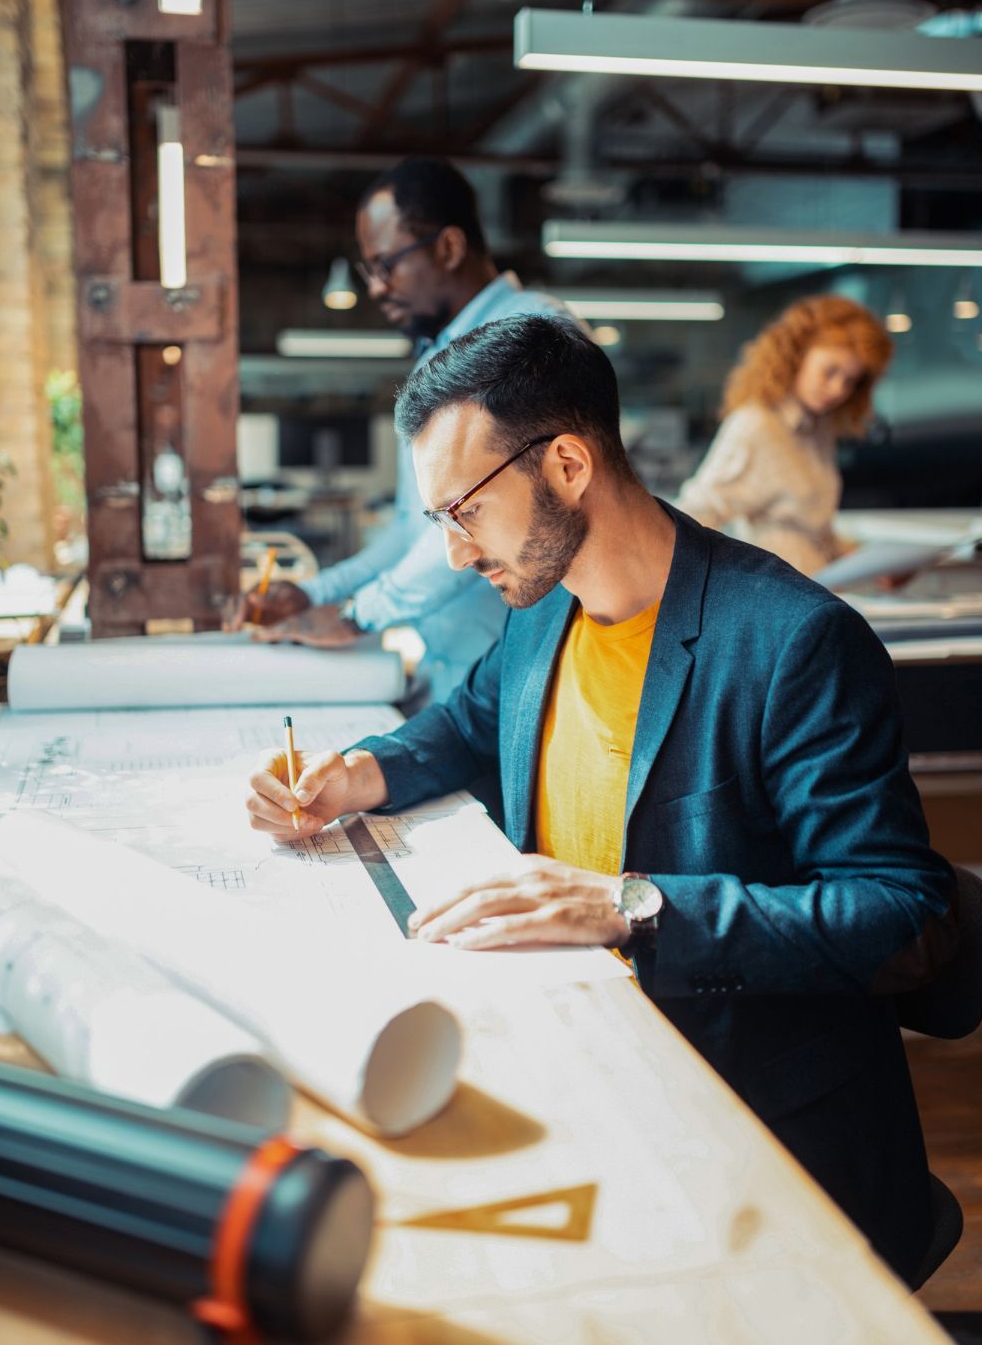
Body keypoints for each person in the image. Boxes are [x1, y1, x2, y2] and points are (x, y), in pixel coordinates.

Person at [245, 313, 955, 1286]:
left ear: (568, 466)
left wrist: (626, 906)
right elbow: (462, 726)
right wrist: (355, 774)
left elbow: (902, 920)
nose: (456, 554)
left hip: (760, 1151)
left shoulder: (790, 643)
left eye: (464, 512)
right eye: (438, 522)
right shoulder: (544, 618)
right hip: (599, 1082)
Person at [234, 156, 572, 700]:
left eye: (386, 264)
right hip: (456, 670)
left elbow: (475, 524)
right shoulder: (434, 363)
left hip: (524, 670)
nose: (375, 287)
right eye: (369, 271)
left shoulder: (530, 335)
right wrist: (316, 593)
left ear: (449, 247)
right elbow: (414, 531)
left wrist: (359, 615)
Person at [676, 294, 893, 576]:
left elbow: (813, 534)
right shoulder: (756, 425)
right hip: (774, 599)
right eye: (829, 372)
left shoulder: (817, 431)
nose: (838, 389)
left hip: (815, 590)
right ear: (796, 356)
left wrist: (875, 562)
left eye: (850, 381)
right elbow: (696, 513)